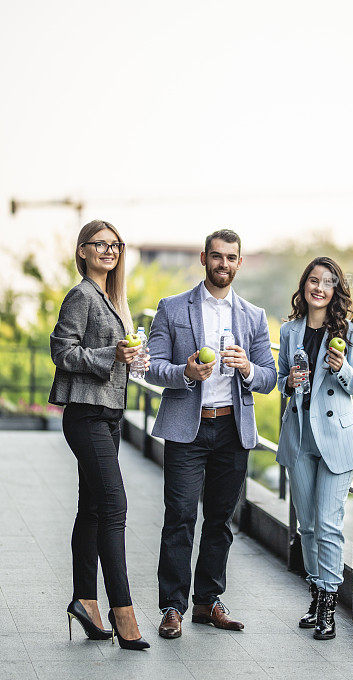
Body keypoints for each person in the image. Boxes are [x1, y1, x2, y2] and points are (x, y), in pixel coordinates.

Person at [147, 229, 277, 639]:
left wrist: (248, 369)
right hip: (188, 427)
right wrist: (184, 372)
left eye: (231, 257)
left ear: (240, 262)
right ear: (204, 258)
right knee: (181, 518)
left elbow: (270, 379)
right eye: (217, 256)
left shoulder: (253, 317)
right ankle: (172, 606)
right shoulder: (171, 308)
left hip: (232, 429)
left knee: (220, 520)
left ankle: (208, 601)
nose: (224, 264)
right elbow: (150, 366)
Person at [49, 219, 150, 650]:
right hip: (86, 414)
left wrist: (133, 359)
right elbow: (61, 349)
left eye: (115, 244)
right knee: (114, 506)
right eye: (99, 244)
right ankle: (122, 611)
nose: (109, 250)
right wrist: (114, 353)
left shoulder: (112, 299)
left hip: (107, 414)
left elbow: (111, 358)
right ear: (83, 251)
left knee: (91, 508)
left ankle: (85, 601)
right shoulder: (81, 295)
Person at [276, 257, 353, 640]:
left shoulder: (351, 331)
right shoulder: (289, 330)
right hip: (299, 437)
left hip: (336, 439)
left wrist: (342, 367)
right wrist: (289, 380)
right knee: (307, 526)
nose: (319, 288)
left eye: (327, 283)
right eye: (313, 280)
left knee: (329, 524)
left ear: (335, 290)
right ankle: (316, 593)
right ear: (305, 286)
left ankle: (329, 605)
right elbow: (281, 377)